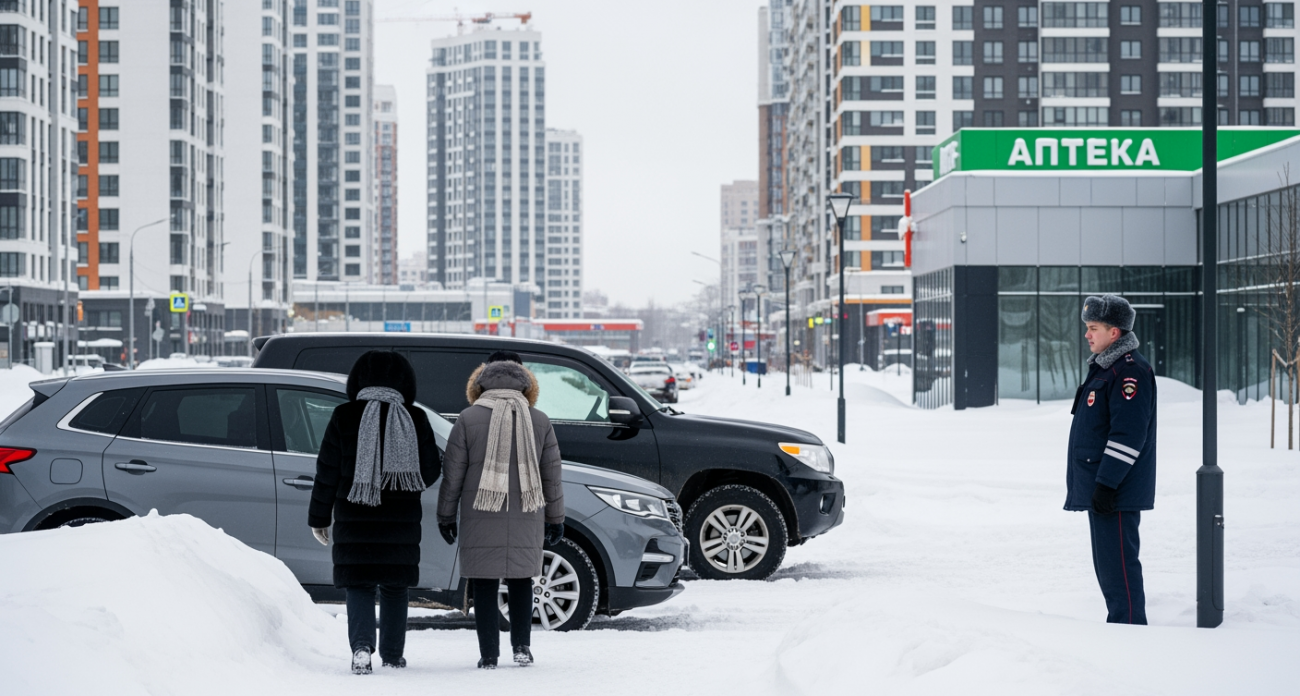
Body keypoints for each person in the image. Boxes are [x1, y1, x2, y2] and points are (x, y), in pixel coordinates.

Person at [308, 351, 440, 674]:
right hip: (401, 524)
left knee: (360, 585)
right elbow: (431, 470)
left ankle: (362, 649)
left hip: (355, 522)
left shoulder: (343, 416)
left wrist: (319, 518)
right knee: (395, 586)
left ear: (358, 380)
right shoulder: (415, 418)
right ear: (404, 382)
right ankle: (393, 655)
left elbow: (326, 473)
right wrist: (402, 476)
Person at [438, 350, 565, 669]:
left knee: (484, 582)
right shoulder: (539, 420)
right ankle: (522, 647)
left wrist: (445, 515)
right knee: (522, 580)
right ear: (526, 380)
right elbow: (551, 473)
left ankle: (488, 654)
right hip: (528, 508)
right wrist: (556, 517)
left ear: (482, 378)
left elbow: (452, 472)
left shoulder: (468, 418)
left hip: (481, 510)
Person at [1066, 294, 1157, 625]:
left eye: (1093, 328)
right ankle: (1122, 628)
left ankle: (1129, 631)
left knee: (1119, 570)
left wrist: (1105, 485)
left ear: (1114, 332)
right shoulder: (1107, 368)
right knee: (1108, 569)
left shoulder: (1129, 373)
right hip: (1103, 491)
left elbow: (1128, 436)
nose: (1087, 335)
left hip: (1115, 493)